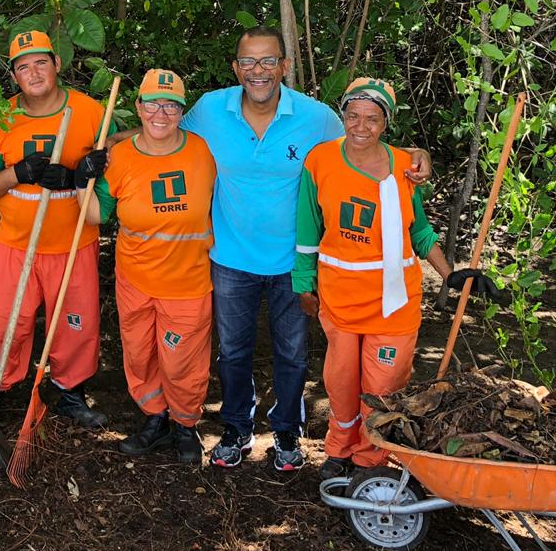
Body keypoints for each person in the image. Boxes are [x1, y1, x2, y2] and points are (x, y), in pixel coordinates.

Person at [177, 26, 431, 471]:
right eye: (249, 62)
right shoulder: (210, 111)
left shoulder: (316, 118)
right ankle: (236, 428)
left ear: (285, 66)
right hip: (231, 259)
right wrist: (107, 149)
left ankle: (288, 434)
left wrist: (416, 153)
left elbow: (365, 138)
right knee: (233, 351)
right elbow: (163, 138)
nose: (259, 71)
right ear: (236, 68)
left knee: (292, 353)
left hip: (294, 264)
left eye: (269, 61)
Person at [293, 77, 495, 479]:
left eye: (371, 118)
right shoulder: (319, 161)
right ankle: (338, 450)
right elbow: (307, 229)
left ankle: (370, 461)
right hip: (340, 300)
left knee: (382, 388)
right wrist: (303, 284)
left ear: (386, 123)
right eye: (352, 116)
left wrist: (450, 275)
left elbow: (418, 230)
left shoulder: (405, 167)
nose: (360, 126)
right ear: (343, 116)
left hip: (395, 303)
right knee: (341, 383)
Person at [0, 30, 112, 451]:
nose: (33, 72)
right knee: (0, 322)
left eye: (41, 62)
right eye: (23, 66)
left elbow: (117, 152)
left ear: (57, 64)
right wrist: (17, 175)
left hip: (74, 242)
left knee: (76, 323)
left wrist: (85, 168)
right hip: (15, 244)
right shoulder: (3, 118)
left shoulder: (89, 110)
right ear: (14, 76)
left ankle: (69, 391)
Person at [89, 69, 216, 463]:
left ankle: (184, 425)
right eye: (153, 103)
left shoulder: (205, 151)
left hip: (188, 281)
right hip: (135, 279)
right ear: (138, 107)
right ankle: (154, 418)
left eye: (171, 105)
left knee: (182, 362)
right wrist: (82, 181)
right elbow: (96, 214)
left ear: (182, 110)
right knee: (140, 354)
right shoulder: (121, 158)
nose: (161, 112)